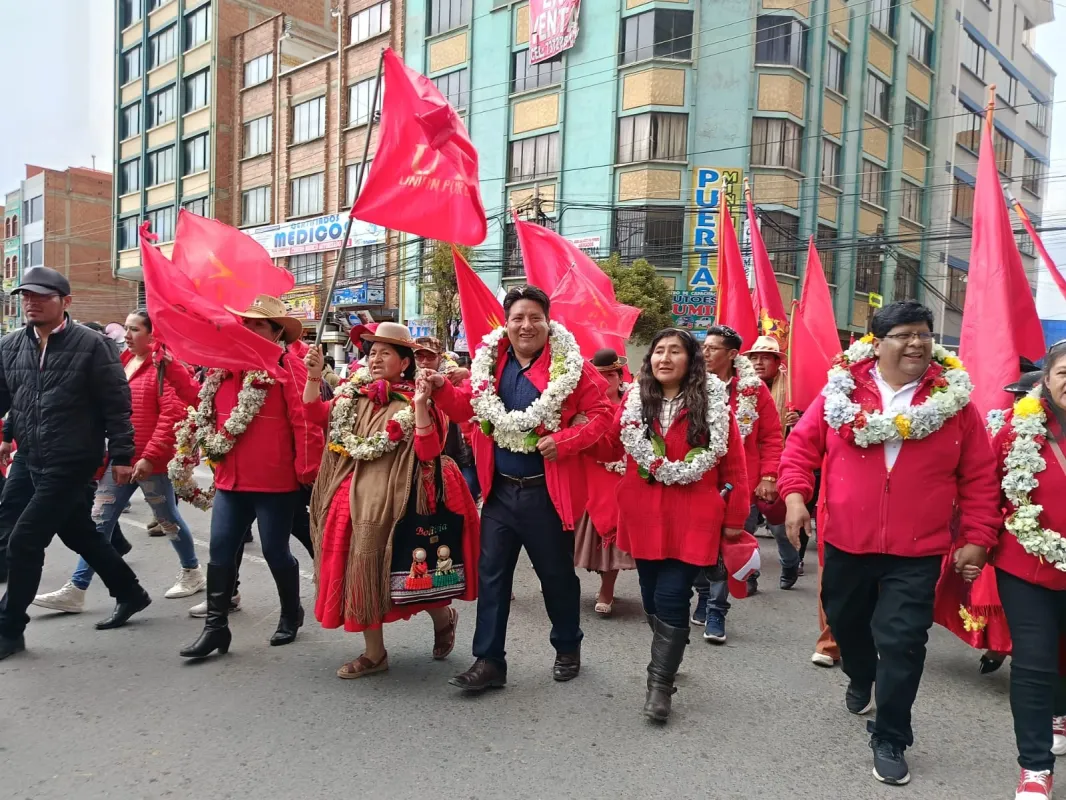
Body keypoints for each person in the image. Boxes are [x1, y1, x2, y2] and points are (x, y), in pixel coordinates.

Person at [779, 301, 1000, 787]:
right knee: (847, 624)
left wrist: (977, 538)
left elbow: (981, 478)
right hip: (846, 542)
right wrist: (795, 498)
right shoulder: (841, 391)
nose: (917, 342)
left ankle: (892, 734)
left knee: (902, 643)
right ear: (876, 343)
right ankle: (860, 673)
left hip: (917, 551)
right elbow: (800, 450)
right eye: (903, 334)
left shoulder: (954, 402)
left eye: (923, 333)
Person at [428, 285, 612, 692]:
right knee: (492, 577)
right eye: (517, 318)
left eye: (534, 317)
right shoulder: (489, 364)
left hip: (545, 493)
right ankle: (489, 661)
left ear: (548, 322)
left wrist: (564, 441)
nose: (526, 325)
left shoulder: (573, 367)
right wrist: (441, 387)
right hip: (499, 493)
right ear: (505, 324)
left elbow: (603, 415)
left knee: (556, 577)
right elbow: (465, 410)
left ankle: (567, 646)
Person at [302, 324, 479, 678]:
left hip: (405, 501)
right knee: (361, 571)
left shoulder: (421, 396)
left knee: (414, 571)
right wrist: (312, 376)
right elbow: (314, 415)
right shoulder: (355, 394)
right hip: (355, 500)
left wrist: (420, 406)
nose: (375, 358)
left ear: (404, 362)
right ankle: (375, 653)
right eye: (372, 353)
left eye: (385, 353)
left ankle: (443, 618)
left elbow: (429, 451)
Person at [0, 267, 152, 661]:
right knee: (77, 533)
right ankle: (131, 593)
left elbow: (117, 404)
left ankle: (10, 629)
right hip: (29, 456)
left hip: (71, 459)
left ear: (65, 302)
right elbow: (14, 399)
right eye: (26, 296)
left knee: (25, 539)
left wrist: (122, 455)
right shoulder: (11, 344)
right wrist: (5, 439)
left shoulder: (92, 345)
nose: (31, 302)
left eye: (41, 295)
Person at [597, 328, 749, 721]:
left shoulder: (714, 403)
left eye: (674, 351)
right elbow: (608, 446)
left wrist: (734, 521)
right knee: (650, 596)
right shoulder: (634, 402)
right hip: (644, 515)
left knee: (672, 596)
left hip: (693, 516)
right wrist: (581, 419)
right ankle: (669, 652)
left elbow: (734, 466)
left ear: (691, 360)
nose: (664, 358)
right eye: (658, 351)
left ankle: (659, 685)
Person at [179, 294, 323, 659]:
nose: (249, 328)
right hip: (230, 479)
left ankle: (291, 613)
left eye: (258, 323)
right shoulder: (223, 367)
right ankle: (215, 629)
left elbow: (306, 422)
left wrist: (308, 471)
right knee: (221, 550)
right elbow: (207, 416)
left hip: (275, 481)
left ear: (277, 332)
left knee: (276, 551)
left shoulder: (289, 366)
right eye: (246, 322)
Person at [33, 310, 205, 613]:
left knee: (167, 520)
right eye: (125, 329)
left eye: (135, 329)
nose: (127, 335)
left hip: (151, 464)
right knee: (99, 521)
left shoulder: (164, 367)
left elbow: (172, 416)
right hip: (121, 460)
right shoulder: (123, 363)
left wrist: (150, 457)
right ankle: (77, 588)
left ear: (153, 334)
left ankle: (192, 571)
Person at [991, 341, 1066, 800]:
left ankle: (1061, 709)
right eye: (1065, 372)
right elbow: (986, 489)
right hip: (1028, 566)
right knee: (1035, 661)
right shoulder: (1017, 428)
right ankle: (1035, 767)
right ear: (1047, 379)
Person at [692, 327, 784, 644]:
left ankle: (717, 610)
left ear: (732, 355)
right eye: (703, 346)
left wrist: (769, 476)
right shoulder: (690, 386)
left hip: (739, 483)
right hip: (696, 481)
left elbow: (772, 436)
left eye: (713, 348)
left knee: (729, 546)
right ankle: (703, 592)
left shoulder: (753, 391)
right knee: (694, 550)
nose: (704, 353)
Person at [574, 349, 636, 617]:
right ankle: (559, 581)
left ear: (620, 377)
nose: (606, 380)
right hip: (586, 474)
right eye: (600, 375)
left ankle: (606, 590)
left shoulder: (634, 403)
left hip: (619, 475)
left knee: (612, 532)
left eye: (611, 374)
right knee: (569, 532)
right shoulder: (582, 405)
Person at [413, 336, 479, 501]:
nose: (424, 361)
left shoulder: (454, 378)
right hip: (414, 460)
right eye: (419, 356)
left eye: (430, 356)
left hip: (454, 454)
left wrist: (467, 374)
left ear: (440, 357)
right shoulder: (404, 382)